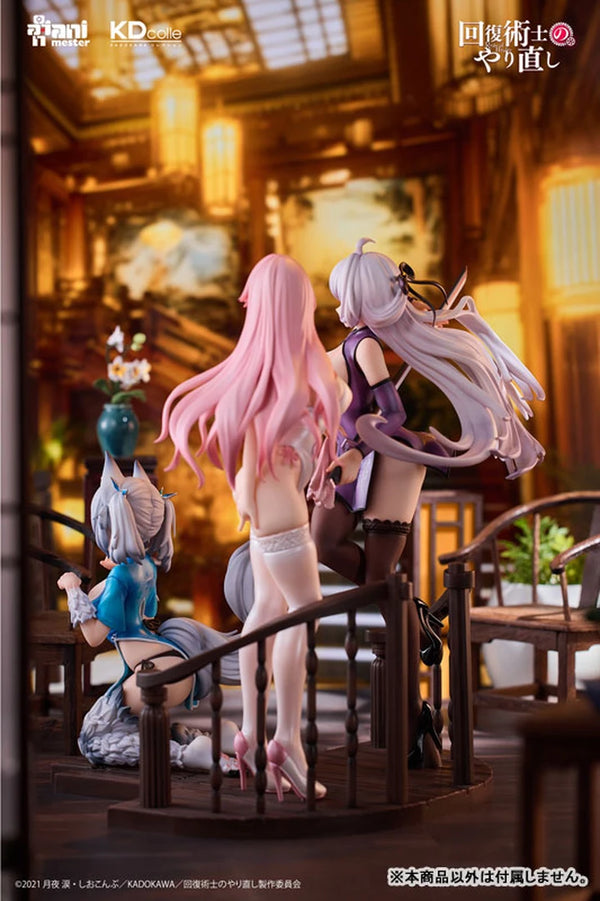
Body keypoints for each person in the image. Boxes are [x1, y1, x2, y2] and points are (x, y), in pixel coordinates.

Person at [311, 238, 545, 767]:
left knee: (378, 578)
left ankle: (417, 712)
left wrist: (359, 447)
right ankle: (413, 614)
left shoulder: (365, 346)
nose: (339, 304)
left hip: (388, 457)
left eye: (345, 293)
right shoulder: (344, 344)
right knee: (325, 545)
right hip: (349, 456)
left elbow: (392, 412)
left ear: (361, 296)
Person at [158, 253, 342, 801]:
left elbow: (248, 464)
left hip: (262, 514)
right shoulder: (307, 379)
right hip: (285, 517)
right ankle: (287, 741)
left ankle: (249, 734)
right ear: (300, 307)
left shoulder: (258, 379)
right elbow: (335, 409)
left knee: (265, 612)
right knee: (303, 615)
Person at [57, 453, 240, 771]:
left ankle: (188, 755)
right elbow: (146, 611)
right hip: (170, 660)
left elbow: (94, 636)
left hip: (154, 671)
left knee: (91, 740)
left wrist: (73, 589)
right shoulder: (145, 565)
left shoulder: (119, 577)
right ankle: (212, 737)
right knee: (126, 723)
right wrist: (115, 575)